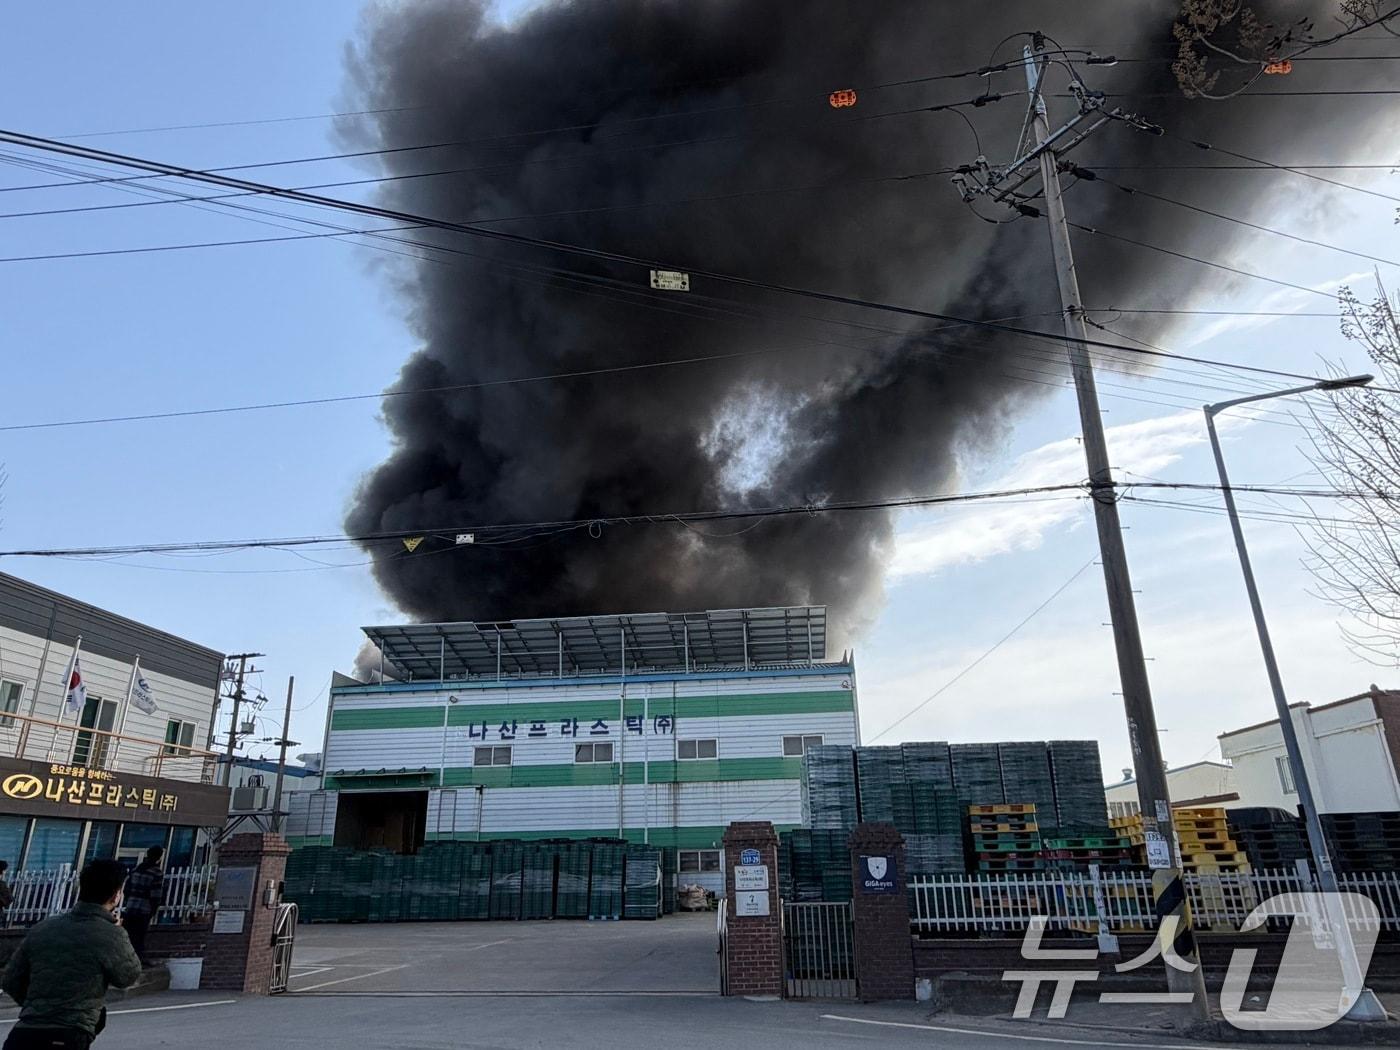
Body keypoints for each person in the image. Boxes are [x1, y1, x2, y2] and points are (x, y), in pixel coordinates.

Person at [1, 859, 142, 1049]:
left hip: (25, 1031)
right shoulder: (111, 934)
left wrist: (38, 1006)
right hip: (70, 1032)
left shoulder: (43, 928)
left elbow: (11, 979)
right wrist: (118, 936)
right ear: (116, 895)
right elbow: (127, 976)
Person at [120, 848, 164, 966]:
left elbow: (127, 889)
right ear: (159, 857)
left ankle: (123, 958)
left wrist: (128, 901)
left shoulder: (136, 870)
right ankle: (136, 961)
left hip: (131, 907)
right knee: (139, 936)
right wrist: (153, 909)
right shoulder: (156, 872)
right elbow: (155, 894)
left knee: (128, 935)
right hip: (144, 909)